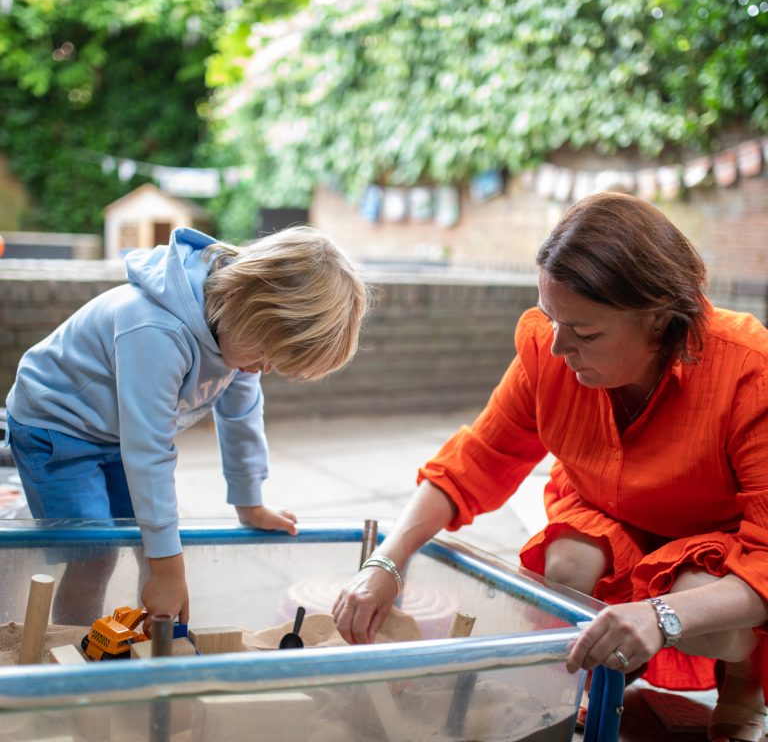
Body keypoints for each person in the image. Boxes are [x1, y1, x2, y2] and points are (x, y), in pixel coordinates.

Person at [332, 192, 768, 742]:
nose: (559, 345)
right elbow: (474, 462)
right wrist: (386, 563)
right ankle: (606, 675)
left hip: (715, 550)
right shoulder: (548, 348)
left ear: (658, 320)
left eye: (584, 333)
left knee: (691, 590)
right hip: (604, 515)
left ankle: (745, 673)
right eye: (550, 318)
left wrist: (661, 616)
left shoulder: (750, 371)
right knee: (566, 565)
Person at [6, 225, 369, 629]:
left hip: (113, 429)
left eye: (275, 363)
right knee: (96, 554)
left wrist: (249, 505)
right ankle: (74, 649)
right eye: (266, 353)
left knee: (152, 541)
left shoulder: (242, 334)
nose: (264, 368)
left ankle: (157, 636)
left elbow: (241, 418)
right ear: (243, 299)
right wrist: (168, 571)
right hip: (56, 426)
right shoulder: (155, 330)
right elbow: (148, 449)